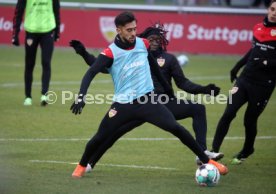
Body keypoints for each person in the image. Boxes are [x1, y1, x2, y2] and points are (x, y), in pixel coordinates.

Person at [70, 11, 228, 178]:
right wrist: (81, 97)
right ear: (119, 30)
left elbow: (153, 66)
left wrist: (168, 89)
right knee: (100, 137)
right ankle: (81, 166)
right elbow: (91, 72)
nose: (133, 33)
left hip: (148, 101)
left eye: (134, 29)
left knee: (176, 128)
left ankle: (207, 161)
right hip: (123, 105)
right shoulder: (110, 52)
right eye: (129, 30)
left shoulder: (142, 44)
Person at [212, 0, 276, 164]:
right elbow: (253, 50)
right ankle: (212, 151)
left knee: (249, 120)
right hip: (245, 79)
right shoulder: (258, 28)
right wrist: (237, 66)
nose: (274, 13)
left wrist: (266, 63)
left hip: (263, 85)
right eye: (272, 9)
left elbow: (264, 58)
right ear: (268, 9)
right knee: (228, 113)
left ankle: (248, 149)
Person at [12, 0, 60, 106]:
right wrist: (15, 34)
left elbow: (56, 10)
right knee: (29, 64)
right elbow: (19, 11)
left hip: (48, 31)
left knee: (46, 62)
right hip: (31, 31)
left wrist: (57, 31)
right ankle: (28, 97)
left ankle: (44, 95)